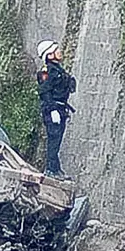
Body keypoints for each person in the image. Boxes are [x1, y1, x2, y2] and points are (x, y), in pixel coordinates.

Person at [36, 40, 76, 178]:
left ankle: (55, 168)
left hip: (61, 108)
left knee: (57, 140)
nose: (60, 52)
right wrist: (52, 110)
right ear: (50, 54)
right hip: (53, 110)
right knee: (54, 139)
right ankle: (51, 169)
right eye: (56, 50)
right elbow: (44, 92)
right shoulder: (47, 72)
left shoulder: (58, 70)